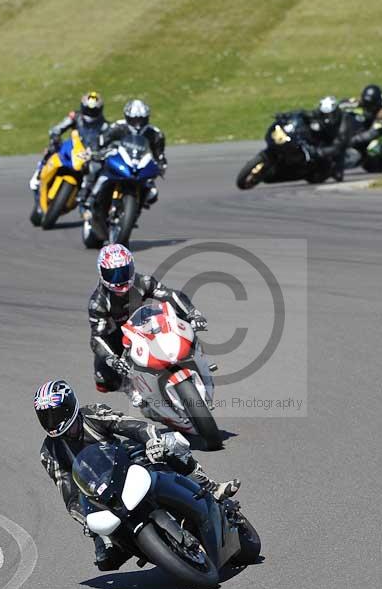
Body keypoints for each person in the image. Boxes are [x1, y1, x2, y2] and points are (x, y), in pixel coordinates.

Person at [34, 379, 240, 570]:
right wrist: (84, 518)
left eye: (56, 414)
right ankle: (149, 548)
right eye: (46, 417)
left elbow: (132, 425)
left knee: (171, 446)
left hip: (127, 464)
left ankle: (211, 487)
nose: (52, 421)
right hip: (101, 495)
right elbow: (68, 492)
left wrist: (151, 441)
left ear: (70, 406)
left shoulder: (93, 414)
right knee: (106, 561)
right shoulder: (48, 452)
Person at [89, 243, 207, 397]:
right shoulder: (99, 302)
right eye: (113, 275)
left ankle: (196, 358)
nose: (120, 281)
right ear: (101, 274)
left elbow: (170, 295)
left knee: (182, 318)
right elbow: (97, 337)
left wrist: (193, 314)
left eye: (124, 272)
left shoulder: (142, 282)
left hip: (147, 322)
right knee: (102, 377)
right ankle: (130, 388)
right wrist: (113, 359)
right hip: (120, 337)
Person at [85, 98, 167, 210]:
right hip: (119, 161)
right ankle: (89, 196)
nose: (138, 124)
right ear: (127, 117)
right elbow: (101, 140)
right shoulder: (119, 126)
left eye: (141, 120)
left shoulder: (155, 133)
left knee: (152, 194)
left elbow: (159, 154)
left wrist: (161, 165)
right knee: (96, 168)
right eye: (134, 120)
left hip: (139, 166)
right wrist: (94, 151)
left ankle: (137, 206)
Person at [29, 91, 108, 205]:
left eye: (93, 111)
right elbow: (58, 127)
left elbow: (108, 140)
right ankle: (38, 174)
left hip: (88, 153)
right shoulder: (75, 116)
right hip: (73, 147)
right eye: (88, 110)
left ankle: (85, 195)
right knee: (53, 148)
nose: (90, 113)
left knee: (97, 168)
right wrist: (55, 135)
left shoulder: (104, 125)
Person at [305, 96, 354, 181]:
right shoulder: (319, 113)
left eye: (330, 114)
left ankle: (335, 169)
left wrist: (320, 152)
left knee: (338, 175)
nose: (327, 117)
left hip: (339, 142)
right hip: (326, 137)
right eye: (325, 114)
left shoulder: (344, 120)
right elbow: (307, 114)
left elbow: (339, 144)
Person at [340, 84, 382, 152]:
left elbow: (372, 133)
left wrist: (352, 140)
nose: (367, 105)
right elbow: (345, 103)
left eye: (370, 104)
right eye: (366, 102)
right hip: (369, 122)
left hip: (380, 132)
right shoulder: (364, 100)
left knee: (372, 148)